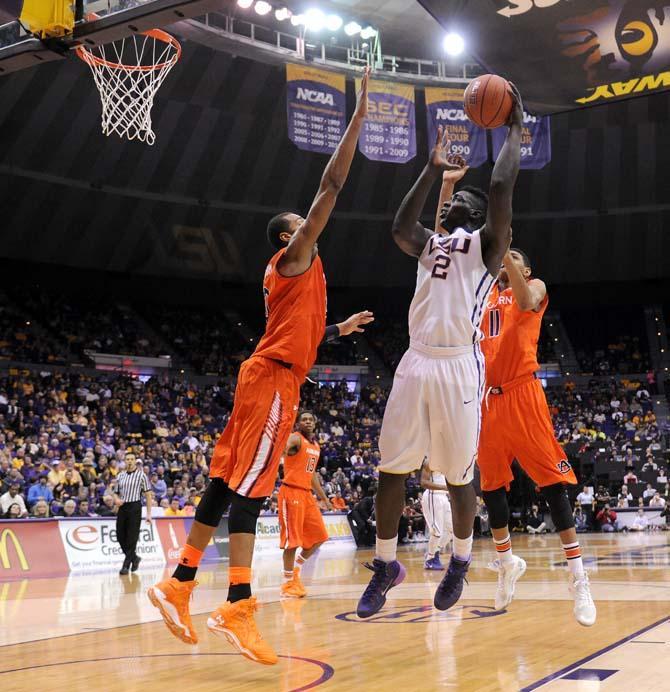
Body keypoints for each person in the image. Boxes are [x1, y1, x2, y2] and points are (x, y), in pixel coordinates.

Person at [148, 69, 371, 665]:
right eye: (302, 221)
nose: (311, 224)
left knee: (224, 485)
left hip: (268, 374)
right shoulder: (293, 257)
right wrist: (359, 116)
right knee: (249, 493)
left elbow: (295, 333)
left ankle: (180, 582)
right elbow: (332, 184)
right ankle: (238, 605)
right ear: (286, 235)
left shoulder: (297, 282)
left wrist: (337, 331)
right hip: (272, 381)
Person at [357, 85, 523, 619]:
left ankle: (460, 559)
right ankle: (385, 564)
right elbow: (401, 229)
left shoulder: (486, 247)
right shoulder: (434, 245)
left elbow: (498, 185)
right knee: (391, 468)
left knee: (457, 474)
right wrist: (431, 170)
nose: (451, 201)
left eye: (458, 200)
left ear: (476, 215)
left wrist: (514, 126)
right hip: (415, 359)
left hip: (457, 364)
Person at [278, 411, 332, 599]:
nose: (308, 422)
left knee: (320, 536)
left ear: (315, 423)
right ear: (299, 423)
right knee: (292, 541)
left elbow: (312, 474)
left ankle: (296, 572)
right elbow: (282, 448)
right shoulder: (296, 438)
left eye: (311, 419)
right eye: (304, 419)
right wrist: (281, 448)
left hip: (306, 495)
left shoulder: (315, 446)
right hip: (291, 491)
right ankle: (286, 585)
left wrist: (324, 497)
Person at [113, 452, 153, 575]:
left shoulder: (142, 476)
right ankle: (135, 558)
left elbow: (148, 494)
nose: (129, 461)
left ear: (135, 461)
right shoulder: (120, 475)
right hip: (123, 507)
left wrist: (149, 514)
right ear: (124, 461)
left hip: (135, 506)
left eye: (132, 459)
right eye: (127, 459)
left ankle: (126, 565)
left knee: (132, 537)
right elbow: (115, 492)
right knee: (120, 536)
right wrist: (116, 499)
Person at [419, 457, 453, 570]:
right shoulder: (429, 460)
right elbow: (423, 482)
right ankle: (430, 559)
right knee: (437, 531)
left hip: (443, 497)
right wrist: (446, 488)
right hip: (432, 496)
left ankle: (433, 551)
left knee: (452, 530)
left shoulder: (447, 459)